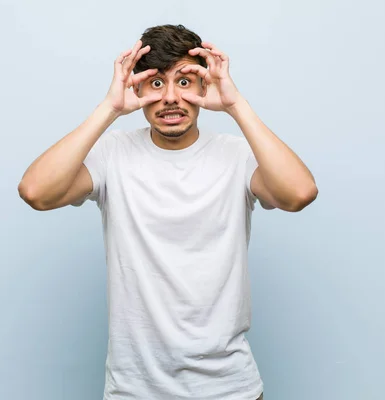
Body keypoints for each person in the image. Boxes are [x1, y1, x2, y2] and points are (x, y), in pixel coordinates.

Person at [18, 24, 317, 400]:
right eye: (156, 83)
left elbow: (300, 193)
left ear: (205, 87)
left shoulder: (237, 155)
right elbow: (36, 192)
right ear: (137, 88)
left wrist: (236, 105)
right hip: (135, 390)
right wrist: (109, 109)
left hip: (229, 388)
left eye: (185, 81)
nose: (171, 98)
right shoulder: (113, 154)